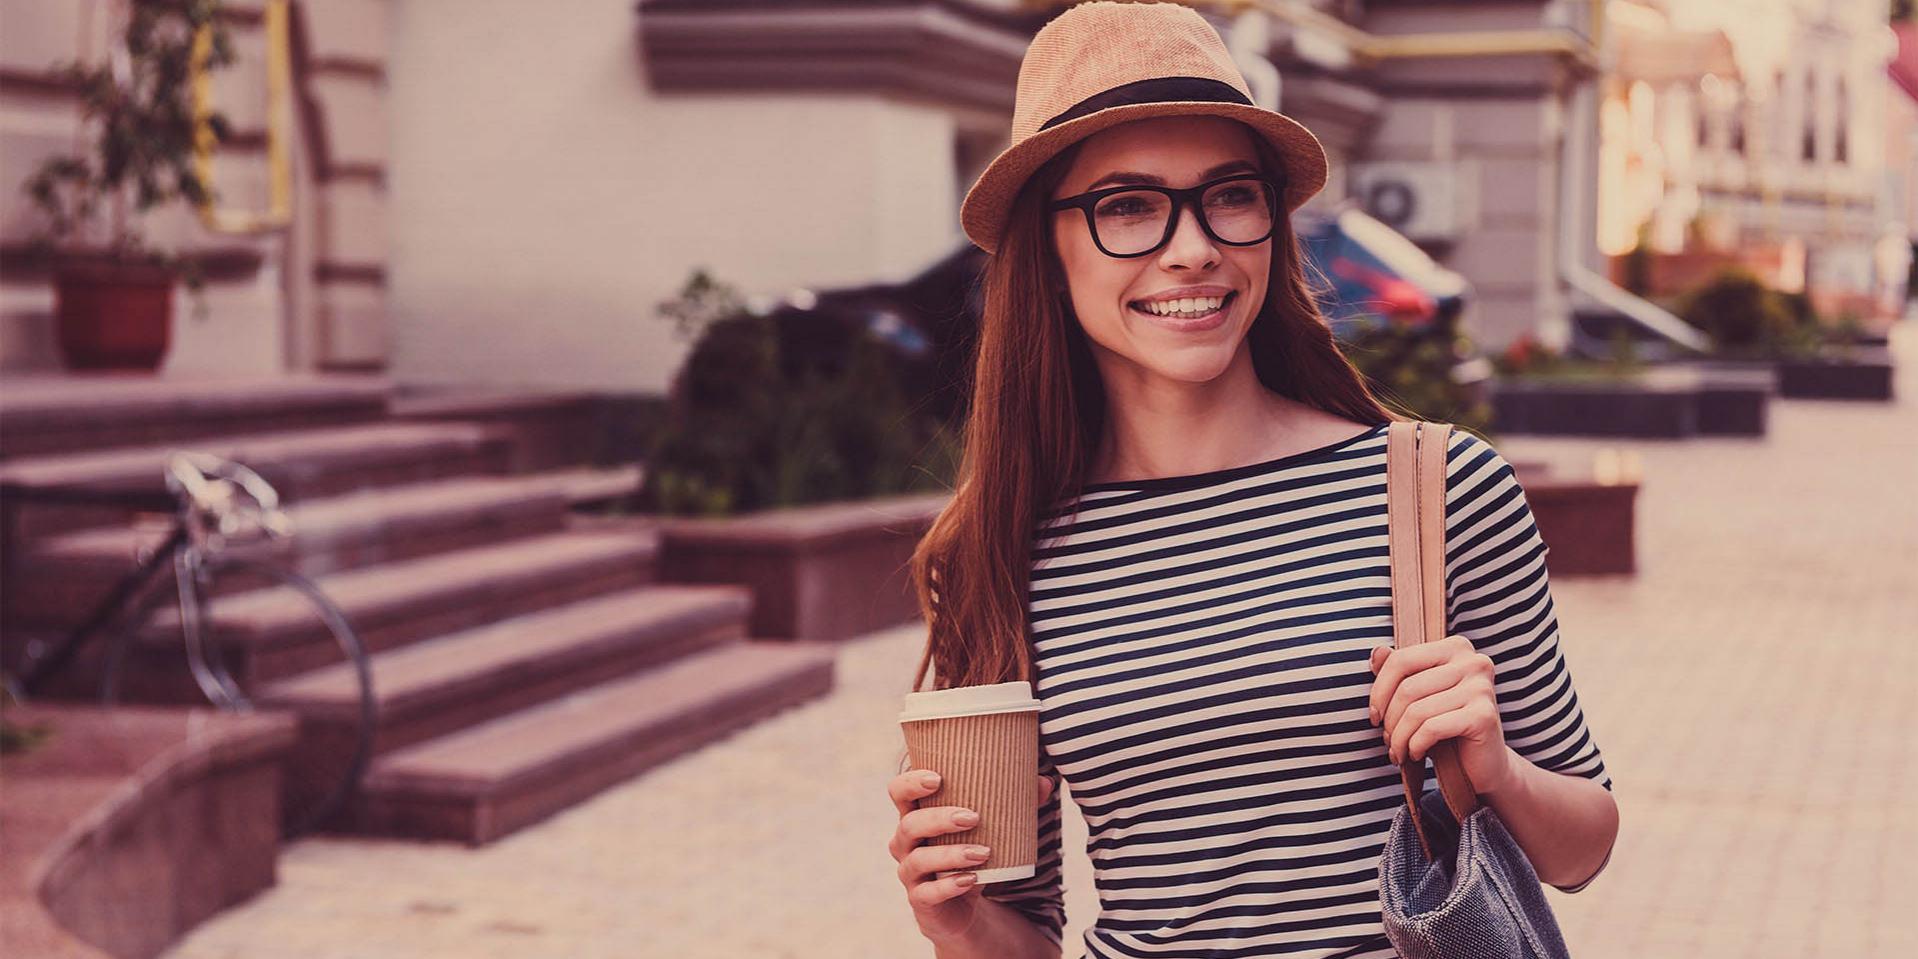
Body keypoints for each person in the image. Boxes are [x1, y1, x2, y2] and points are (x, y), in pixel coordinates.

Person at [885, 4, 1618, 957]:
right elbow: (1024, 937)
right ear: (1049, 249)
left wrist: (1498, 768)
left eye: (1230, 195)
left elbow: (1584, 846)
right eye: (1128, 206)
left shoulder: (1437, 488)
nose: (1192, 247)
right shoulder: (997, 551)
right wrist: (952, 916)